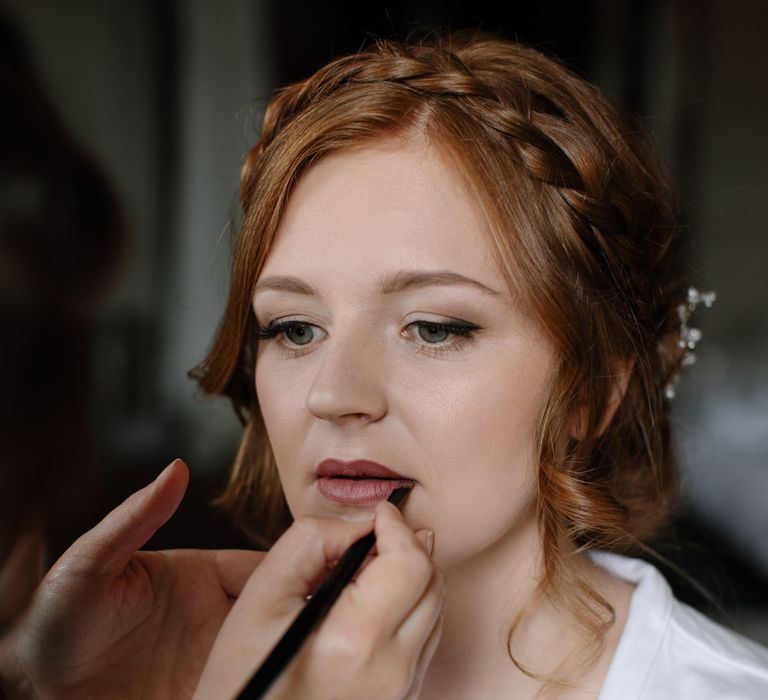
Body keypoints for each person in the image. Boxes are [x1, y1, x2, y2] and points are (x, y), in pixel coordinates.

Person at [2, 30, 768, 700]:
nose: (334, 395)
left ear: (595, 389)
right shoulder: (167, 670)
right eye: (295, 329)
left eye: (434, 328)